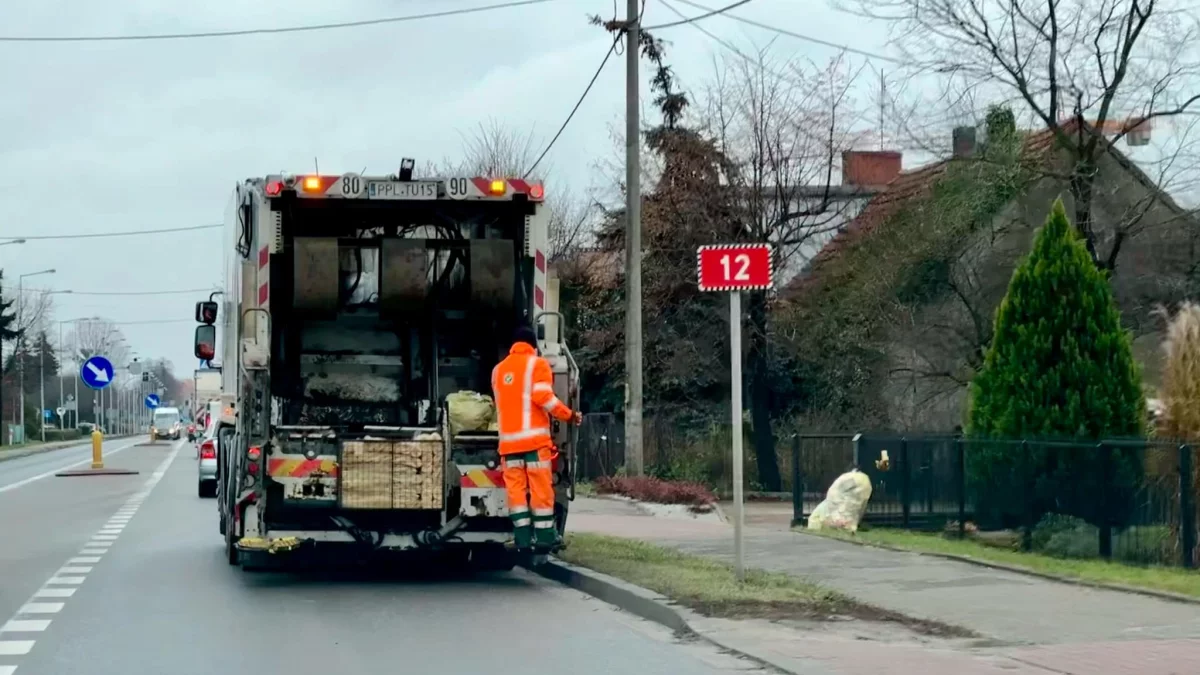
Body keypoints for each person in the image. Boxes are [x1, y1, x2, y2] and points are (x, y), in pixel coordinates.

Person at [492, 325, 582, 552]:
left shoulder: (498, 370)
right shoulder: (537, 365)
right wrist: (569, 415)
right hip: (533, 443)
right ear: (533, 345)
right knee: (541, 490)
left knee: (516, 492)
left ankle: (522, 539)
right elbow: (544, 398)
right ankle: (544, 537)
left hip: (508, 445)